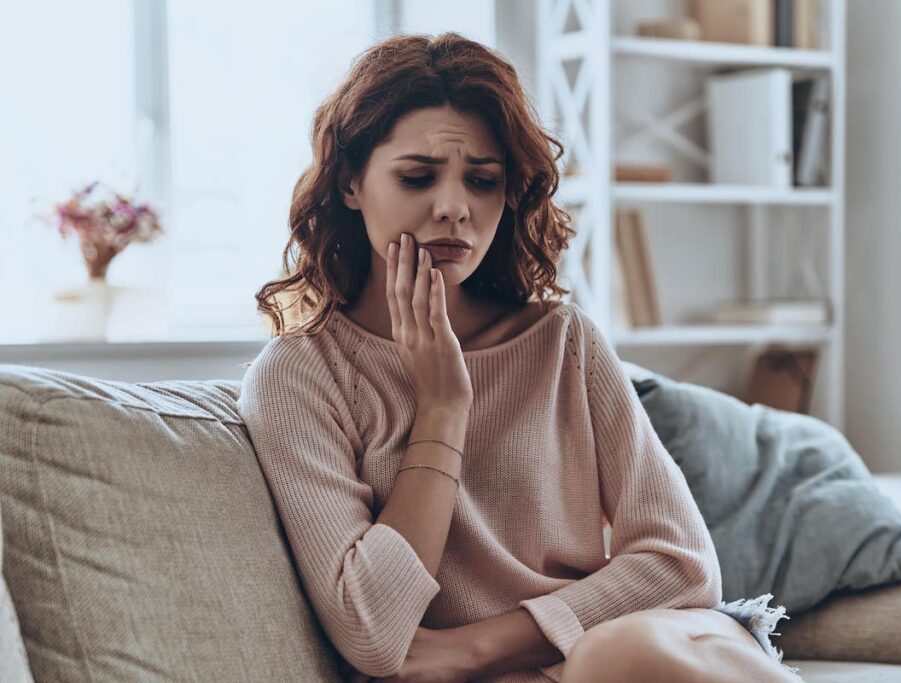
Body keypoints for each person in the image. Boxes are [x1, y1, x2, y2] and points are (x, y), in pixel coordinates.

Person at [238, 32, 801, 683]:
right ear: (349, 183)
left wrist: (474, 645)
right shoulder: (300, 376)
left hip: (625, 653)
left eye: (483, 180)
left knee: (617, 654)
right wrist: (443, 408)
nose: (454, 208)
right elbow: (373, 630)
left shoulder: (565, 341)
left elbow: (682, 563)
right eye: (417, 176)